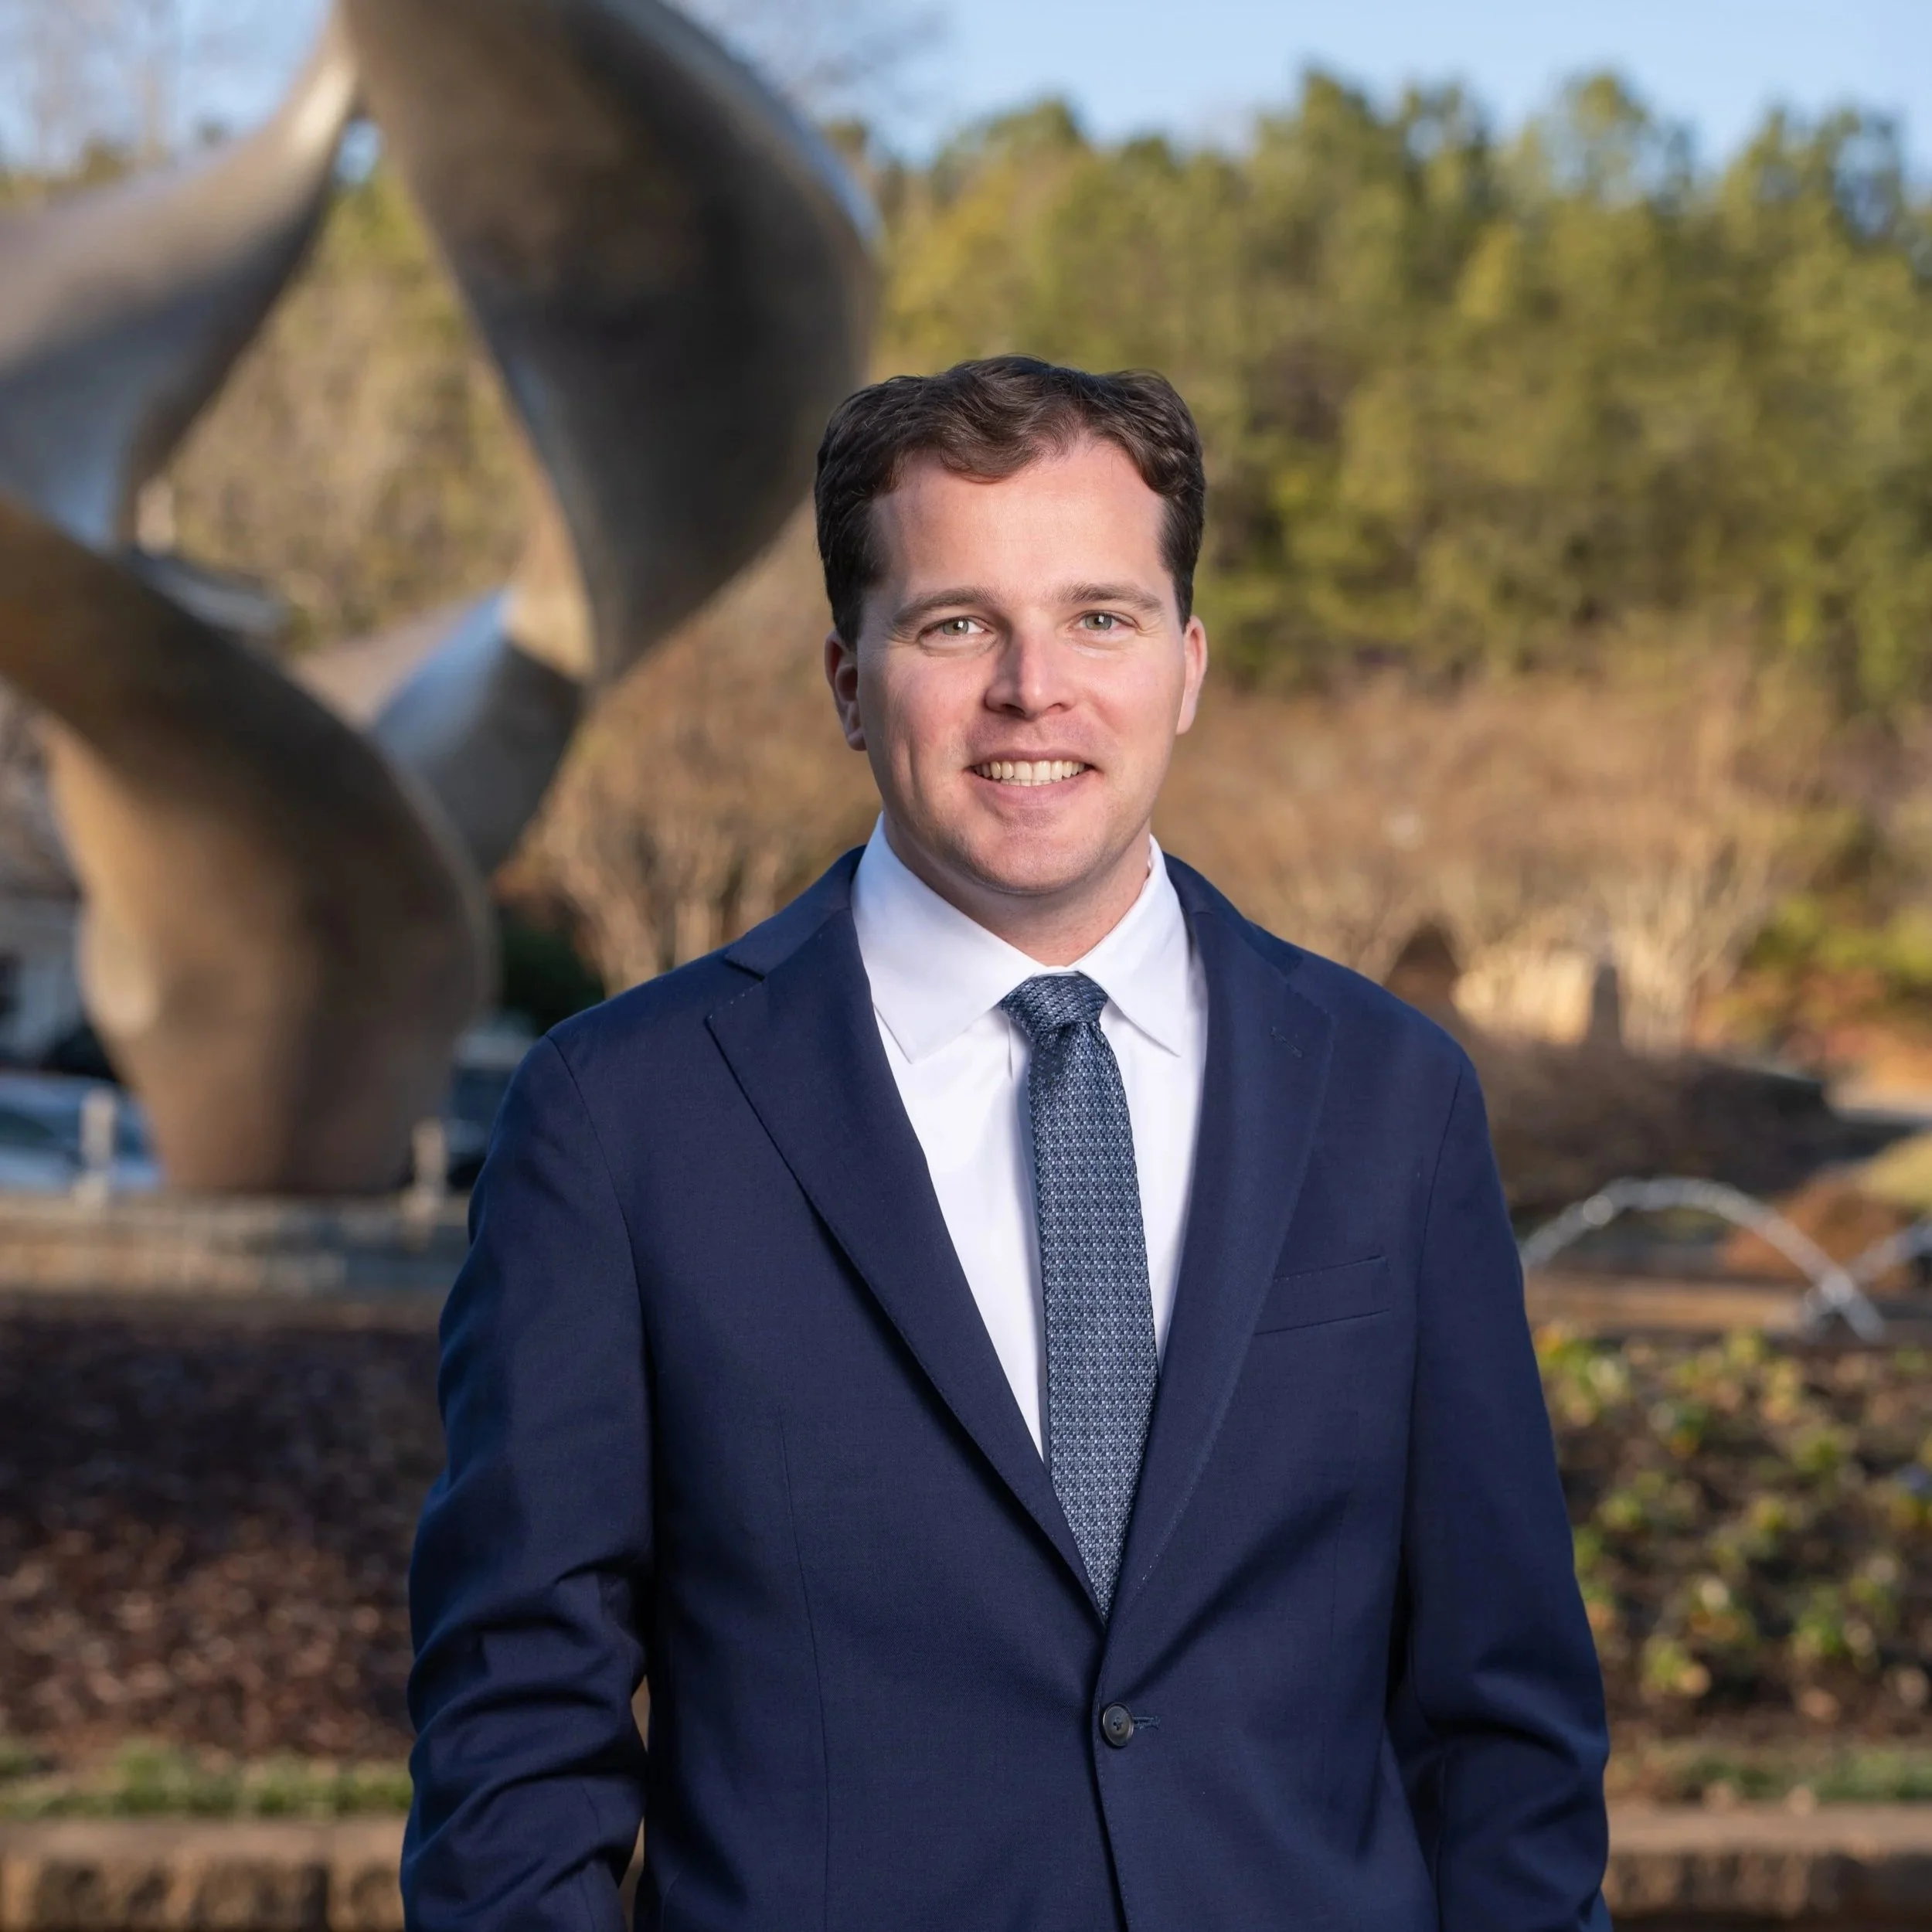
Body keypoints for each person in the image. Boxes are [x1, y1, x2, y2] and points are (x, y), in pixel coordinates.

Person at [402, 355, 1611, 1930]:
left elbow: (1499, 1714)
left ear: (1185, 663)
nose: (1031, 685)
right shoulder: (623, 1118)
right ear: (846, 678)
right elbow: (517, 1735)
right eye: (954, 622)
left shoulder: (1389, 1097)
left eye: (1097, 616)